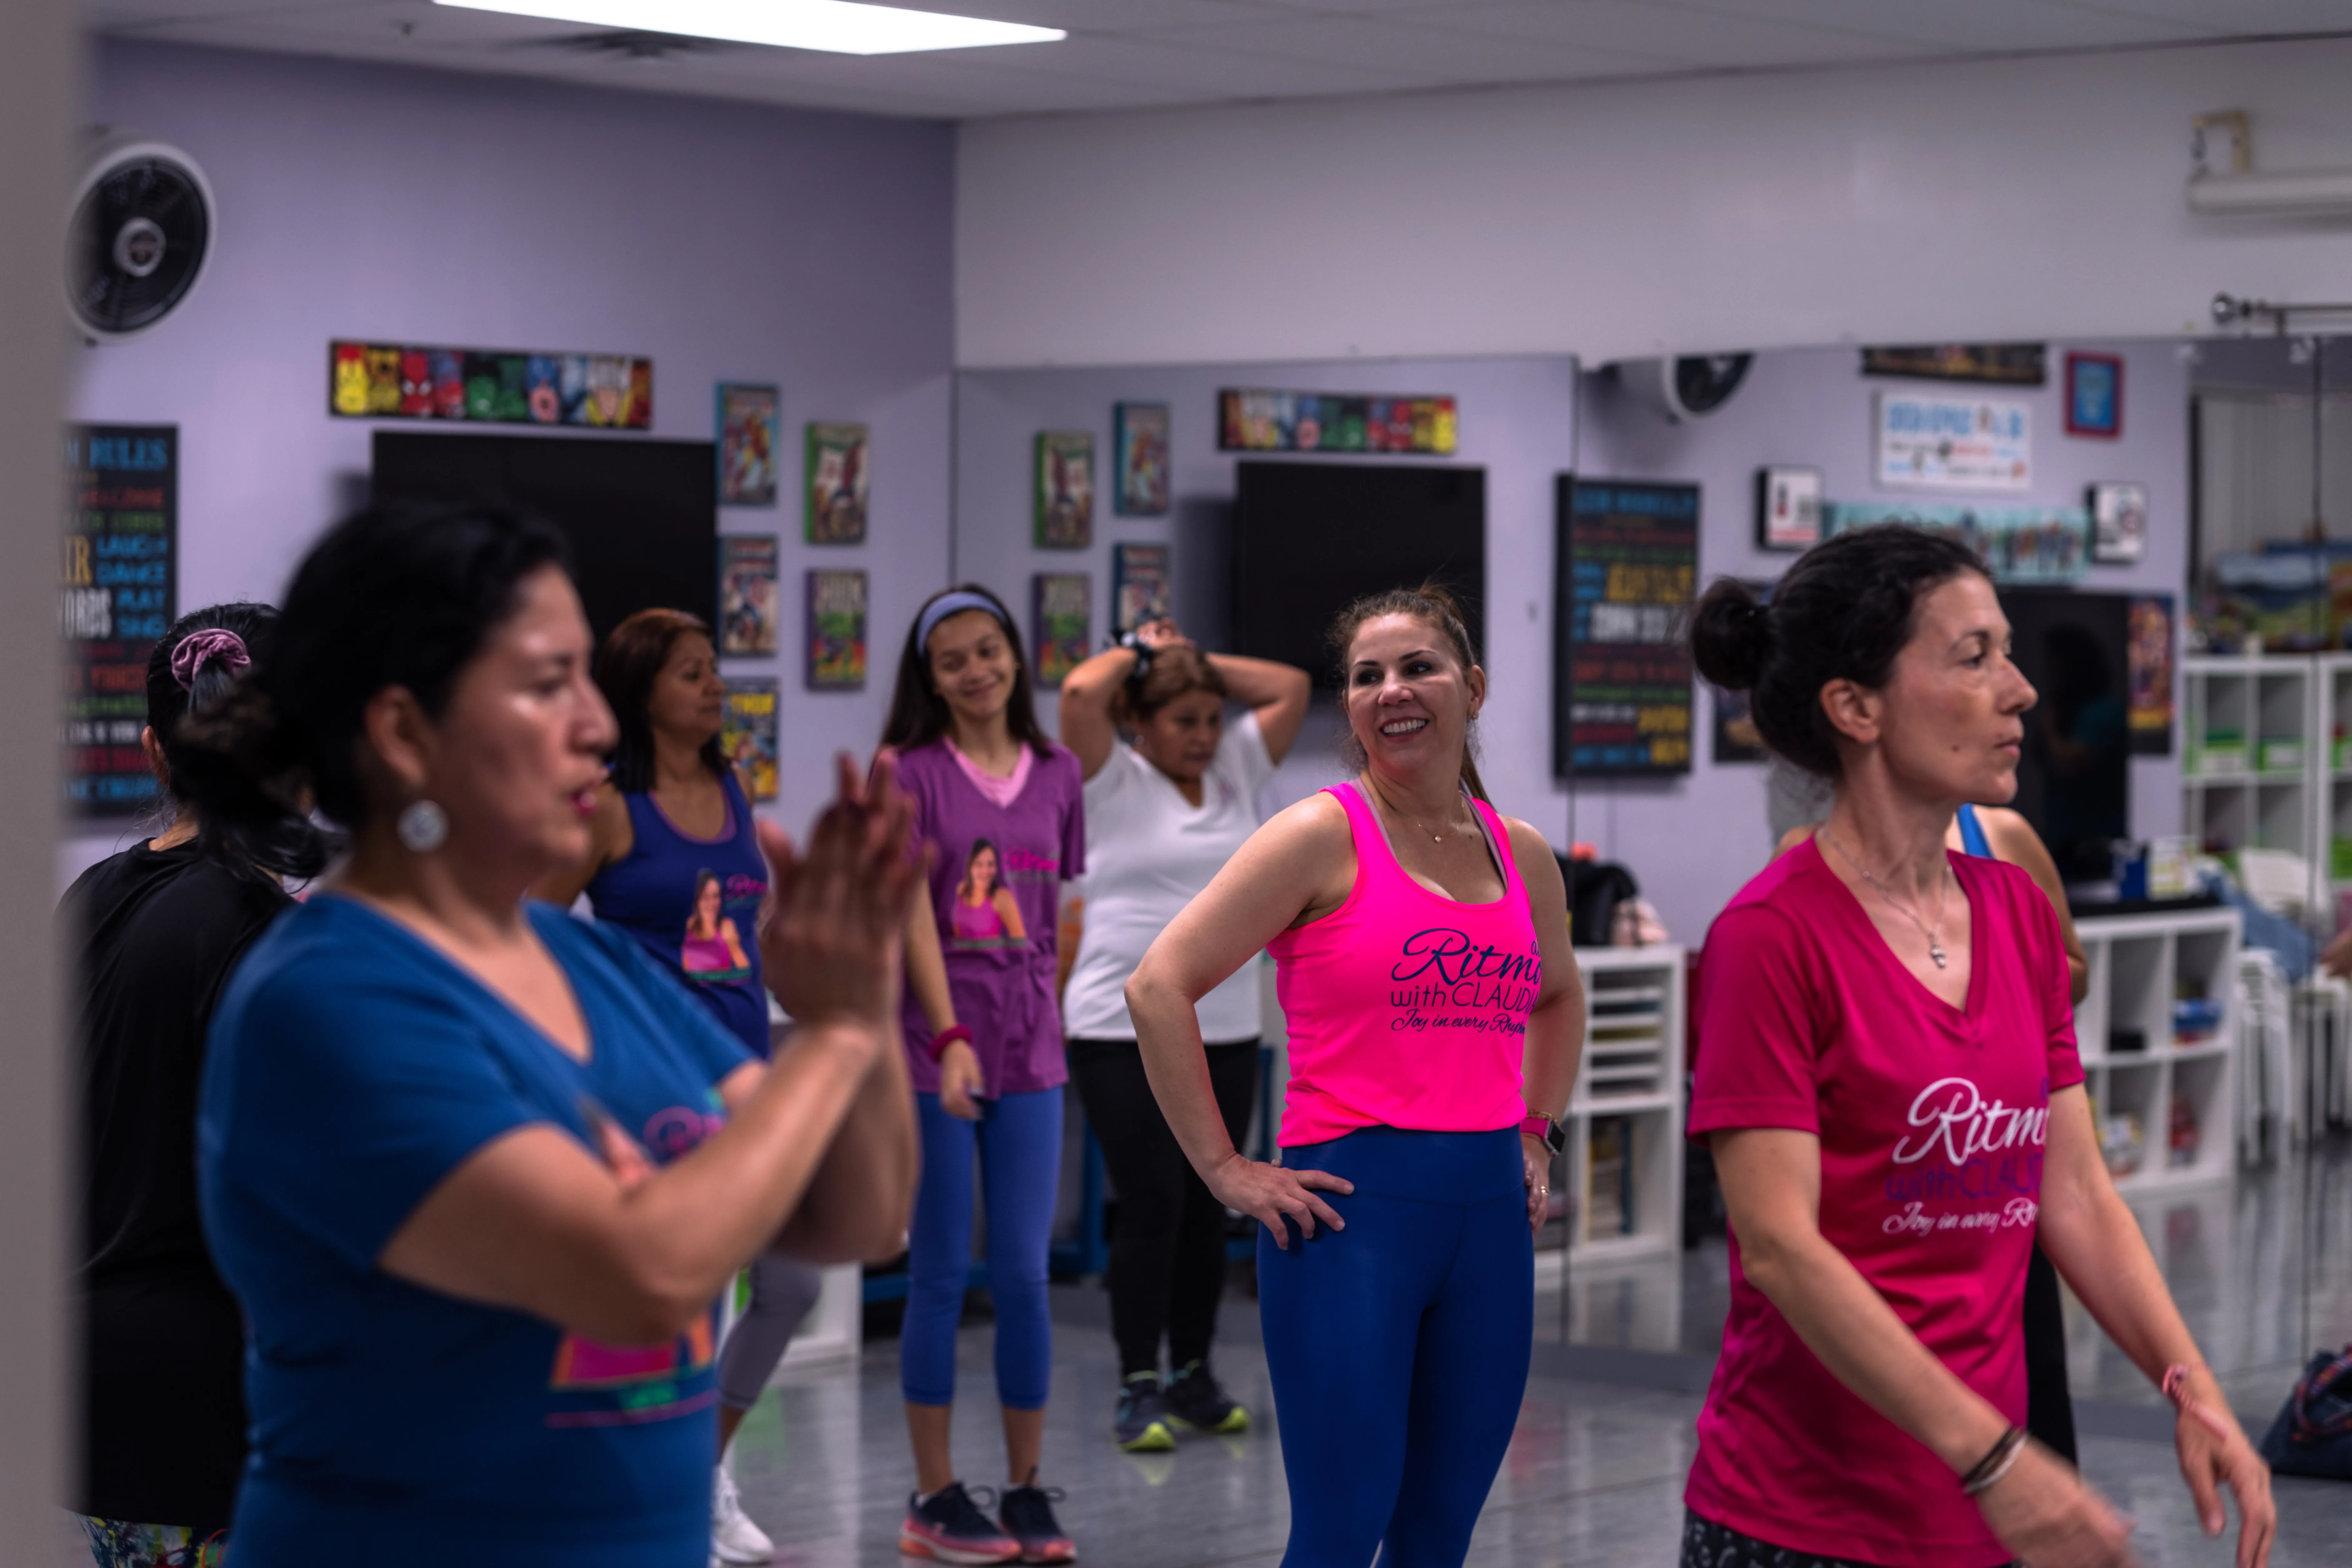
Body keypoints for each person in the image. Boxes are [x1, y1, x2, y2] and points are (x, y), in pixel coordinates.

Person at [181, 502, 921, 1568]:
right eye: (546, 682)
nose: (598, 725)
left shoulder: (592, 962)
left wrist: (863, 1004)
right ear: (404, 734)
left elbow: (857, 1215)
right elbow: (640, 1273)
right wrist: (839, 1041)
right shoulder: (324, 1002)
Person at [1685, 526, 2273, 1568]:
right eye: (1973, 656)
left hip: (1984, 1512)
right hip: (1805, 1519)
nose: (2020, 690)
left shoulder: (2016, 913)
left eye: (2006, 651)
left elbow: (2075, 1193)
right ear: (1854, 707)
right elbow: (1778, 1248)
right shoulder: (1768, 937)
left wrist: (2192, 1386)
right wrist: (1997, 1459)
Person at [1127, 584, 1584, 1568]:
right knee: (1340, 1531)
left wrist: (1535, 1129)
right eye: (1366, 676)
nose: (1391, 691)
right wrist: (1222, 1168)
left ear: (1471, 688)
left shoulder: (1521, 853)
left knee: (1438, 1533)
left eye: (1417, 667)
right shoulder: (1317, 835)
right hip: (1346, 1224)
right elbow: (1158, 985)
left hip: (1489, 1227)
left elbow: (1557, 995)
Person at [532, 607, 825, 1566]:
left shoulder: (733, 789)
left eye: (713, 667)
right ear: (642, 691)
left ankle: (699, 1470)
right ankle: (659, 1500)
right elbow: (531, 930)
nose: (714, 685)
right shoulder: (610, 808)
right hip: (651, 1091)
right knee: (684, 1306)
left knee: (788, 1283)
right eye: (691, 671)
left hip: (743, 1073)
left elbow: (750, 930)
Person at [64, 605, 328, 1568]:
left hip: (88, 1391)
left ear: (153, 753)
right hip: (208, 1406)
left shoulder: (88, 899)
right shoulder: (269, 935)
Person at [1056, 618, 1309, 1451]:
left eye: (1209, 719)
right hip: (1117, 1024)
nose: (1203, 735)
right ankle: (1138, 1382)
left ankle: (1193, 1374)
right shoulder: (1110, 777)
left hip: (1225, 1023)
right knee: (1154, 1201)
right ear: (1140, 723)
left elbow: (1289, 686)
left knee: (1213, 1199)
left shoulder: (1237, 763)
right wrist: (1147, 653)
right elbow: (1079, 691)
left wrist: (1193, 666)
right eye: (1182, 720)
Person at [1775, 799, 2090, 1465]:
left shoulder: (2003, 842)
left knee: (2032, 1393)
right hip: (1895, 1191)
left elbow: (2071, 964)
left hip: (1996, 1177)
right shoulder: (1799, 869)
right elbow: (1774, 1241)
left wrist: (1992, 973)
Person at [882, 585, 1086, 1566]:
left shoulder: (1059, 770)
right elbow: (909, 919)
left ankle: (1024, 1488)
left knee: (1023, 1273)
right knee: (936, 1273)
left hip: (1031, 1046)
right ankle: (931, 1498)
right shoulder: (906, 772)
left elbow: (1064, 907)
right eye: (952, 658)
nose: (975, 670)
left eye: (989, 649)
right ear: (929, 677)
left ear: (1015, 654)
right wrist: (952, 1031)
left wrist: (1047, 1001)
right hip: (935, 1046)